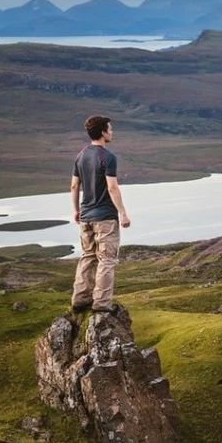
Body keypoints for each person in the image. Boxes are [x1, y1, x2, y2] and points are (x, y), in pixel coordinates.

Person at [70, 115, 131, 313]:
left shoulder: (81, 155)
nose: (112, 132)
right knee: (106, 260)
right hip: (105, 217)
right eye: (110, 129)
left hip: (86, 216)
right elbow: (112, 188)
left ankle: (80, 299)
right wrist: (123, 213)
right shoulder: (108, 157)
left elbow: (74, 185)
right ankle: (102, 304)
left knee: (88, 256)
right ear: (103, 132)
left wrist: (76, 210)